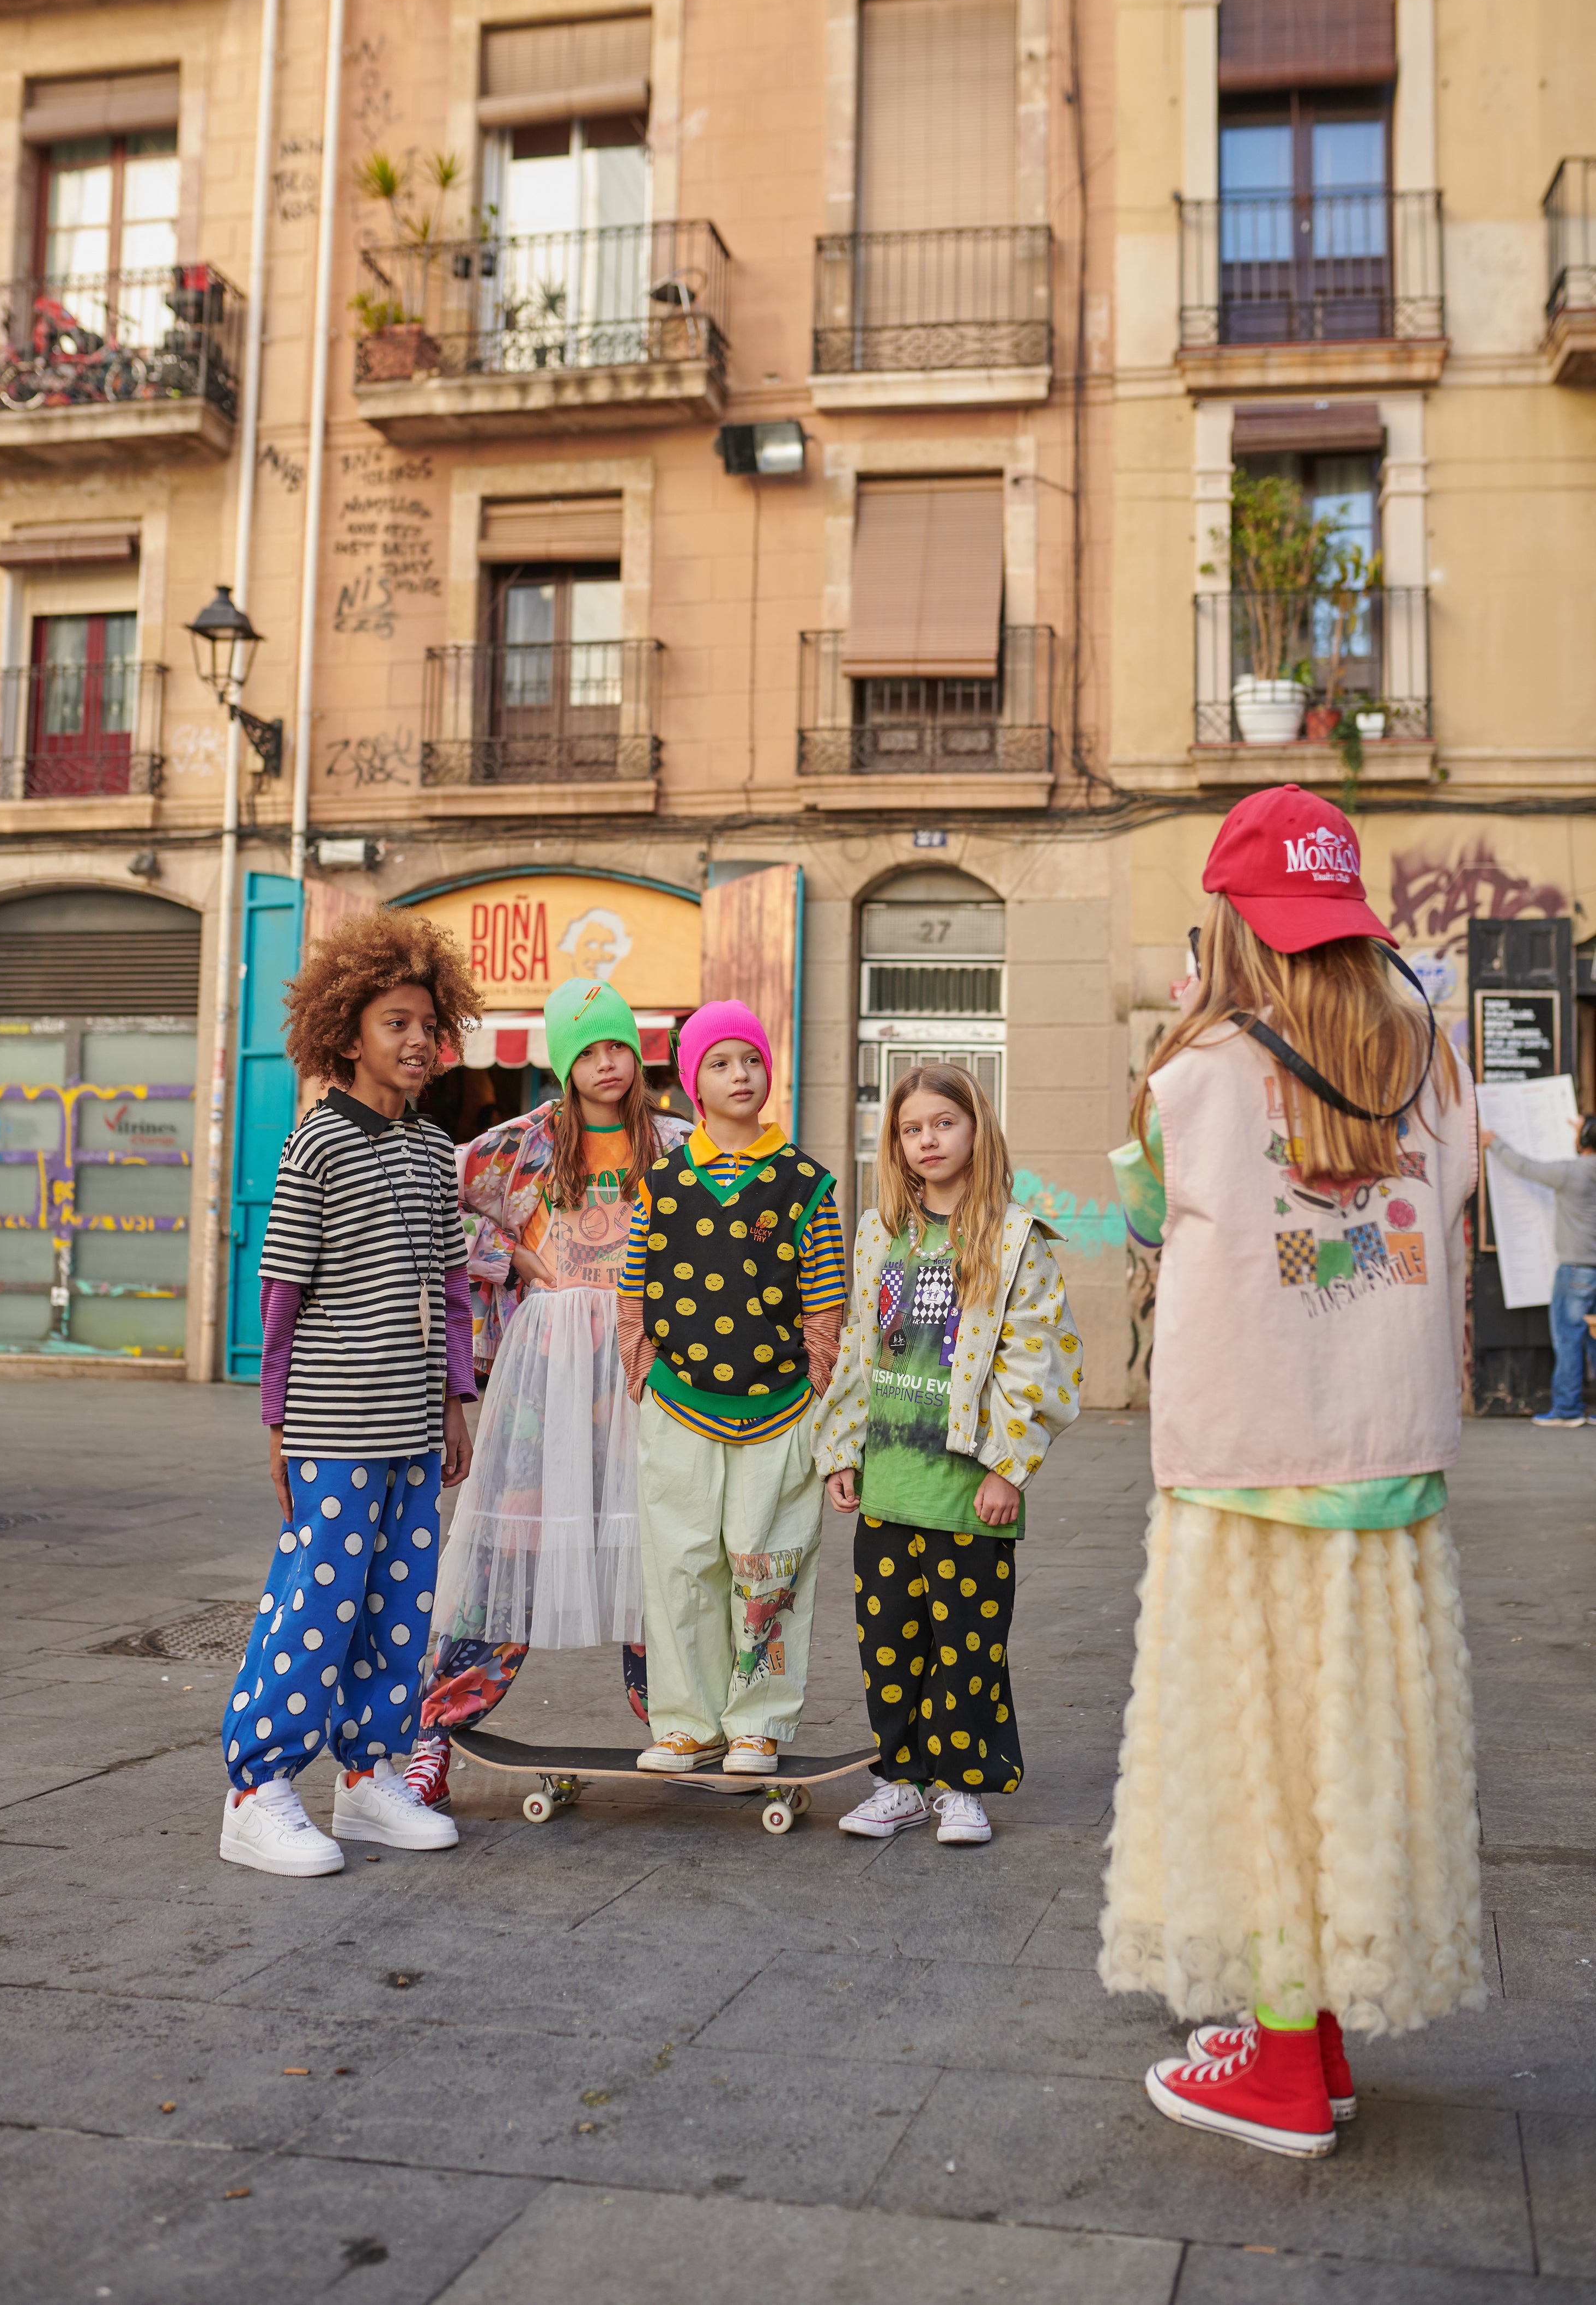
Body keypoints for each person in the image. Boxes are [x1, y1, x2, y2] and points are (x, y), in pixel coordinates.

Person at [1100, 784, 1484, 2159]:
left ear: (1232, 924)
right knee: (1349, 1751)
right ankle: (1309, 2031)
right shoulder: (1434, 1067)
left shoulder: (1190, 1076)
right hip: (1385, 1469)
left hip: (1246, 1467)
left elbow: (1140, 1207)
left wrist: (1185, 1019)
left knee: (1255, 1759)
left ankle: (1271, 2070)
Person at [219, 909, 481, 1879]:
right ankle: (256, 1789)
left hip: (414, 1423)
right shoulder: (316, 1145)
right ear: (348, 1035)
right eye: (394, 1025)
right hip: (334, 1420)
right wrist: (278, 1426)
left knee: (398, 1604)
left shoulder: (429, 1147)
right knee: (314, 1602)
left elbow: (452, 1289)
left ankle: (368, 1777)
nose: (416, 1042)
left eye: (426, 1024)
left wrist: (455, 1401)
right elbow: (281, 1294)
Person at [408, 980, 690, 1806]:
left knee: (660, 1552)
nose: (607, 1064)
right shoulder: (519, 1146)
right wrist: (506, 1255)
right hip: (545, 1379)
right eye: (589, 1050)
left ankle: (680, 1722)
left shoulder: (679, 1145)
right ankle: (433, 1735)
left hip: (646, 1375)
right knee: (509, 1549)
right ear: (564, 1064)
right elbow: (432, 1204)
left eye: (618, 1047)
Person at [814, 1065, 1081, 1847]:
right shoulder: (881, 1236)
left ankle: (963, 1788)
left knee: (969, 1646)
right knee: (890, 1643)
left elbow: (1039, 1358)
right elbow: (861, 1352)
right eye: (910, 1128)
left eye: (943, 1123)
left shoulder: (1013, 1237)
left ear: (976, 1129)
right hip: (891, 1488)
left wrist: (1008, 1468)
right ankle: (899, 1779)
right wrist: (843, 1451)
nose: (927, 1139)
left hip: (969, 1492)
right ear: (894, 1144)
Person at [617, 1000, 847, 1774]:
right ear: (691, 1085)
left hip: (780, 1408)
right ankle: (686, 1722)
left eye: (750, 1059)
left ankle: (759, 1723)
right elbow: (634, 1285)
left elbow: (826, 1297)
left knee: (768, 1565)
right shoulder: (661, 1185)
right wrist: (640, 1370)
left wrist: (820, 1383)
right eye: (720, 1062)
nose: (740, 1074)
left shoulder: (805, 1185)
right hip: (678, 1402)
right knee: (679, 1563)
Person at [1477, 1113, 1596, 1426]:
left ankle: (1568, 1410)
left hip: (1576, 1270)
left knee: (1569, 1340)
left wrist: (1495, 1143)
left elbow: (1525, 1167)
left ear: (1584, 1142)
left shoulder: (1573, 1173)